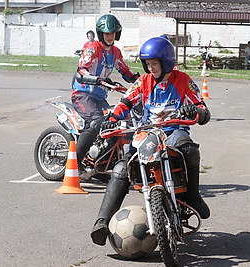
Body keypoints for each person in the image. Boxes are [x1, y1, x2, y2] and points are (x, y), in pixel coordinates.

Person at [90, 36, 211, 246]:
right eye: (147, 64)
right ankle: (101, 222)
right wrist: (111, 119)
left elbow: (202, 108)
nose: (150, 68)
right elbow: (125, 102)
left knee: (190, 151)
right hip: (146, 133)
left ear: (166, 62)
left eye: (154, 63)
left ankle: (193, 197)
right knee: (121, 169)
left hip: (174, 130)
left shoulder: (183, 80)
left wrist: (197, 111)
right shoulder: (143, 82)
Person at [72, 14, 140, 177]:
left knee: (115, 123)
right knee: (96, 122)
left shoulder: (115, 52)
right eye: (107, 33)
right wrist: (95, 79)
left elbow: (126, 72)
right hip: (82, 94)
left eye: (113, 33)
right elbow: (81, 70)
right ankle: (74, 164)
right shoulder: (92, 48)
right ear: (100, 33)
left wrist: (145, 80)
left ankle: (102, 162)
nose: (110, 36)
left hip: (100, 97)